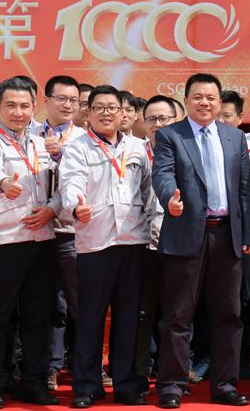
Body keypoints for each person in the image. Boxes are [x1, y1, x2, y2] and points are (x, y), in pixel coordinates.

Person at [152, 73, 250, 408]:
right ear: (186, 101)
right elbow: (163, 174)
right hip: (185, 234)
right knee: (178, 316)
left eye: (211, 98)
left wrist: (249, 234)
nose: (204, 103)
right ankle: (171, 386)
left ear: (219, 102)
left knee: (229, 315)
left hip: (227, 236)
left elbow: (244, 189)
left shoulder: (234, 137)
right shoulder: (170, 135)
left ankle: (225, 385)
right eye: (197, 97)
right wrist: (169, 198)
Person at [59, 85, 152, 408]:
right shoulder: (77, 148)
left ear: (123, 112)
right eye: (99, 107)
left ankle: (126, 385)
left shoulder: (138, 147)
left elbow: (148, 190)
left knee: (128, 317)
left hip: (133, 241)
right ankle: (87, 386)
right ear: (88, 112)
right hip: (95, 243)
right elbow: (70, 183)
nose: (106, 113)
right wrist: (76, 207)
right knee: (91, 318)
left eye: (112, 107)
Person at [0, 77, 59, 409]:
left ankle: (34, 383)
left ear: (34, 107)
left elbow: (61, 185)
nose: (18, 112)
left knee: (38, 316)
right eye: (11, 105)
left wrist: (52, 209)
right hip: (5, 240)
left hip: (42, 239)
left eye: (25, 106)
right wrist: (3, 182)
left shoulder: (42, 144)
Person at [35, 75, 87, 391]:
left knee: (79, 304)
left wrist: (53, 208)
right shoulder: (29, 134)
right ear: (47, 100)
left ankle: (87, 367)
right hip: (33, 232)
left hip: (70, 231)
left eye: (73, 100)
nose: (68, 105)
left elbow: (77, 183)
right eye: (61, 98)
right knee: (46, 304)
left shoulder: (84, 138)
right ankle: (50, 367)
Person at [135, 95, 178, 391]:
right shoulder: (134, 151)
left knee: (176, 314)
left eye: (164, 119)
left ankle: (173, 374)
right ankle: (140, 373)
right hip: (139, 244)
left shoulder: (186, 152)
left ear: (176, 120)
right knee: (142, 313)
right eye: (151, 119)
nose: (157, 124)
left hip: (176, 243)